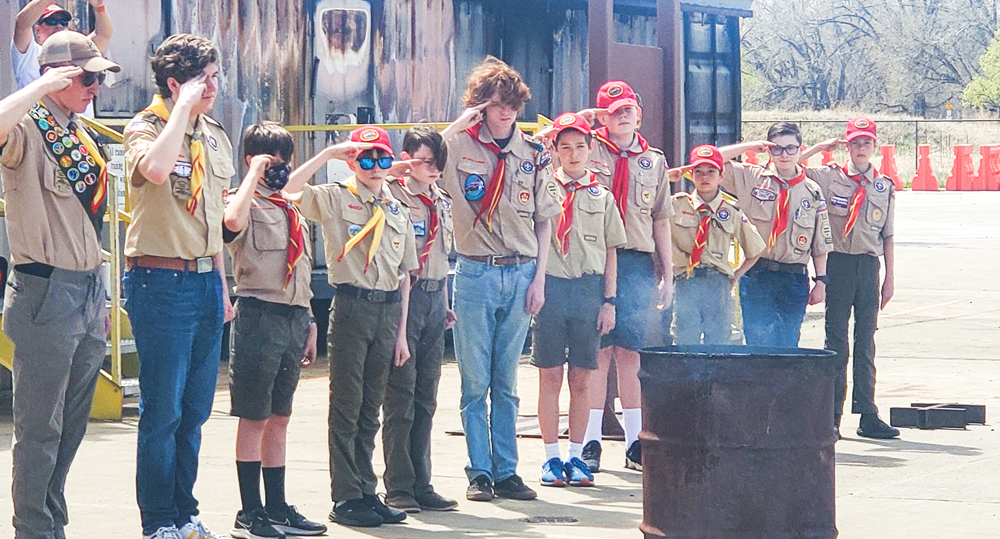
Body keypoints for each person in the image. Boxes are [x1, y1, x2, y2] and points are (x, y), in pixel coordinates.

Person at [0, 31, 118, 539]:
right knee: (40, 427)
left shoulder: (82, 135)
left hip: (87, 291)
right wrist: (38, 85)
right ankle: (33, 528)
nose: (96, 87)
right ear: (58, 77)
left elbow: (89, 226)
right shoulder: (28, 127)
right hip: (45, 292)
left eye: (98, 78)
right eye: (87, 77)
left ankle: (51, 517)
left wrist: (104, 295)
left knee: (71, 425)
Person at [123, 34, 235, 539]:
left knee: (194, 411)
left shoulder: (214, 134)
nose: (214, 86)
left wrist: (224, 288)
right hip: (159, 280)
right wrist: (181, 110)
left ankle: (185, 512)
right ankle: (158, 521)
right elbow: (156, 169)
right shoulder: (146, 128)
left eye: (216, 76)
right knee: (162, 411)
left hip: (205, 281)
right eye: (204, 79)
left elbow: (212, 221)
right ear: (175, 83)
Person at [283, 125, 418, 528]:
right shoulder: (336, 197)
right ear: (352, 162)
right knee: (346, 405)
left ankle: (365, 489)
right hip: (353, 307)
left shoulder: (396, 207)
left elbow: (404, 274)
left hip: (387, 310)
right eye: (365, 158)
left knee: (370, 408)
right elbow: (289, 189)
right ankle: (344, 497)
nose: (375, 166)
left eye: (382, 158)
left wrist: (401, 334)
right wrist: (328, 154)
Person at [439, 56, 560, 502]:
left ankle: (508, 470)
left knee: (507, 382)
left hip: (522, 270)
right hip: (475, 272)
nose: (505, 111)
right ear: (480, 107)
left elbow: (545, 220)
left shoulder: (533, 154)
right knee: (475, 382)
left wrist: (540, 280)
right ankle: (480, 471)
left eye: (511, 103)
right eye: (494, 103)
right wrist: (459, 123)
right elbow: (421, 153)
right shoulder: (459, 148)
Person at [222, 122, 331, 539]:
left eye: (286, 162)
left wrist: (310, 320)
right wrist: (253, 174)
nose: (282, 170)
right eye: (274, 162)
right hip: (259, 314)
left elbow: (301, 268)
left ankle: (277, 505)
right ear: (255, 161)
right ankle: (250, 511)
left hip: (293, 315)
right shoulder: (243, 200)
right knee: (254, 416)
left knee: (280, 417)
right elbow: (230, 223)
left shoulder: (289, 205)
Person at [579, 81, 674, 473]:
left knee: (630, 353)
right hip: (593, 259)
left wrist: (667, 272)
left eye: (628, 109)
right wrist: (585, 121)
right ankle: (590, 442)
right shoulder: (586, 147)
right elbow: (552, 144)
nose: (622, 115)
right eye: (613, 110)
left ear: (639, 113)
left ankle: (636, 442)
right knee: (596, 355)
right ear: (601, 115)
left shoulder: (654, 160)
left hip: (635, 261)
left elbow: (661, 219)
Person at [532, 112, 626, 488]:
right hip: (552, 288)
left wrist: (610, 300)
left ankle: (577, 456)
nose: (573, 154)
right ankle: (551, 458)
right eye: (565, 147)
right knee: (549, 375)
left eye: (580, 147)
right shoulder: (543, 187)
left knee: (583, 378)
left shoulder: (601, 196)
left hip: (588, 292)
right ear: (554, 150)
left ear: (591, 151)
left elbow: (611, 251)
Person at [800, 118, 899, 439]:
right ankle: (831, 417)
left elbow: (888, 236)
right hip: (838, 264)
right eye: (854, 142)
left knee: (866, 343)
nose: (860, 148)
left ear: (875, 146)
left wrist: (890, 279)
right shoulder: (830, 179)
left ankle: (868, 414)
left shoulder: (884, 186)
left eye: (866, 143)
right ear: (846, 145)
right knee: (836, 343)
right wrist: (818, 148)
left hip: (869, 267)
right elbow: (789, 166)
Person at [381, 126, 461, 513]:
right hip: (404, 300)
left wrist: (445, 304)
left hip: (433, 298)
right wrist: (398, 169)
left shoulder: (441, 201)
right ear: (407, 157)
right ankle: (397, 484)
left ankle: (421, 481)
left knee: (426, 394)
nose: (431, 169)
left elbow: (442, 257)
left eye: (436, 163)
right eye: (423, 161)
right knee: (401, 394)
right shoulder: (392, 194)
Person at [716, 122, 833, 347]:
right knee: (758, 346)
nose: (784, 154)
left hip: (794, 277)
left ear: (800, 149)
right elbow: (710, 160)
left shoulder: (812, 191)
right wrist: (750, 146)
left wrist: (821, 281)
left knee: (788, 347)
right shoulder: (751, 178)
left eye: (790, 148)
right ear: (769, 150)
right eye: (777, 148)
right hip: (758, 274)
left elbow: (819, 243)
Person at [667, 145, 766, 345]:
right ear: (691, 175)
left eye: (711, 171)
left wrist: (735, 275)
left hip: (717, 283)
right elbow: (650, 207)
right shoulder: (675, 205)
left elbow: (755, 249)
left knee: (719, 342)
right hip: (685, 281)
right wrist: (668, 176)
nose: (705, 177)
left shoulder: (731, 211)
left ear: (722, 176)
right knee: (685, 341)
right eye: (698, 172)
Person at [12, 1, 112, 118]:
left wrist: (99, 7)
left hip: (79, 130)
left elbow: (103, 35)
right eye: (52, 21)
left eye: (63, 23)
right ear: (37, 30)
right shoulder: (30, 52)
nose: (59, 26)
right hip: (42, 128)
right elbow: (22, 23)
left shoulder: (78, 50)